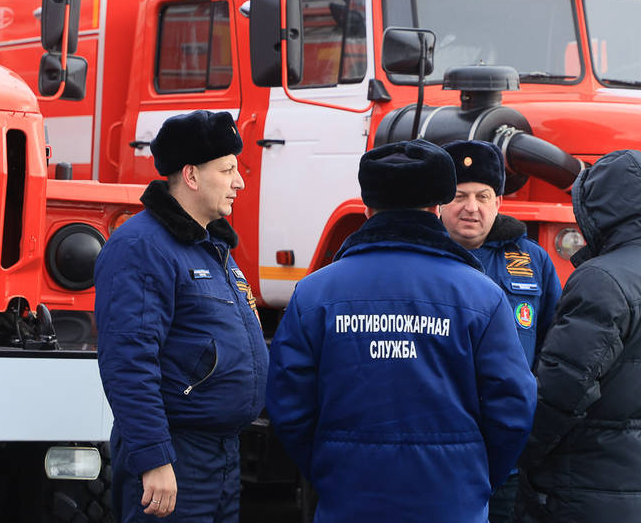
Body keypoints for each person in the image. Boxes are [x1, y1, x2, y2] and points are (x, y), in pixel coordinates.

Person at [265, 139, 537, 523]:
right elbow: (513, 407)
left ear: (366, 208)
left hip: (348, 500)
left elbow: (288, 402)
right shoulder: (482, 295)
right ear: (437, 208)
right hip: (453, 503)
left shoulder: (315, 293)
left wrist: (329, 470)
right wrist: (473, 477)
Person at [94, 110, 269, 522]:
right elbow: (128, 360)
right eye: (227, 170)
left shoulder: (210, 246)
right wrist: (154, 459)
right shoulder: (142, 247)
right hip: (175, 458)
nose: (239, 182)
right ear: (191, 176)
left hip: (219, 455)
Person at [514, 149, 641, 523]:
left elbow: (563, 390)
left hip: (582, 488)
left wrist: (521, 452)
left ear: (598, 210)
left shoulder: (602, 279)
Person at [439, 140, 561, 523]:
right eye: (459, 196)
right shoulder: (421, 258)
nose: (471, 208)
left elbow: (552, 343)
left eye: (483, 196)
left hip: (508, 453)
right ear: (439, 202)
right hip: (439, 449)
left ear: (499, 203)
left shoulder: (531, 260)